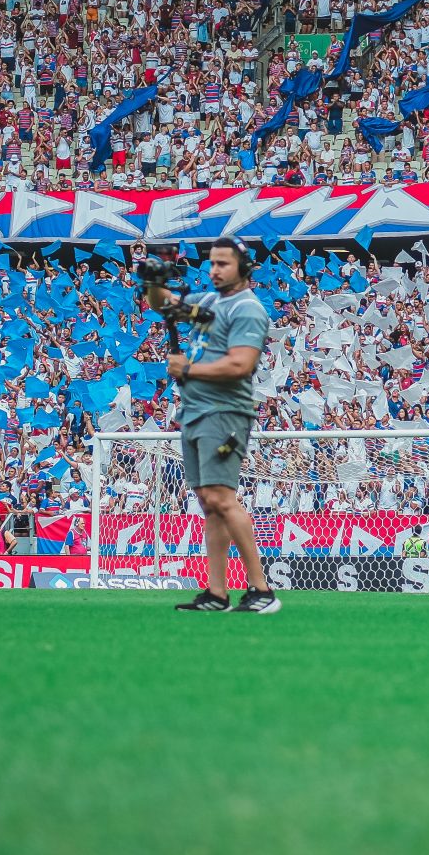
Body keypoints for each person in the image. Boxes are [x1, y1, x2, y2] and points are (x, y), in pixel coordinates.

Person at [143, 237, 280, 614]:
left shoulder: (247, 309)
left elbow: (241, 364)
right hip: (196, 411)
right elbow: (165, 306)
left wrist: (188, 369)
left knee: (222, 497)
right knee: (209, 503)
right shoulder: (209, 302)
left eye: (223, 264)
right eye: (212, 264)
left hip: (225, 412)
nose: (214, 270)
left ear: (244, 268)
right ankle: (217, 593)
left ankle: (261, 589)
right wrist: (155, 282)